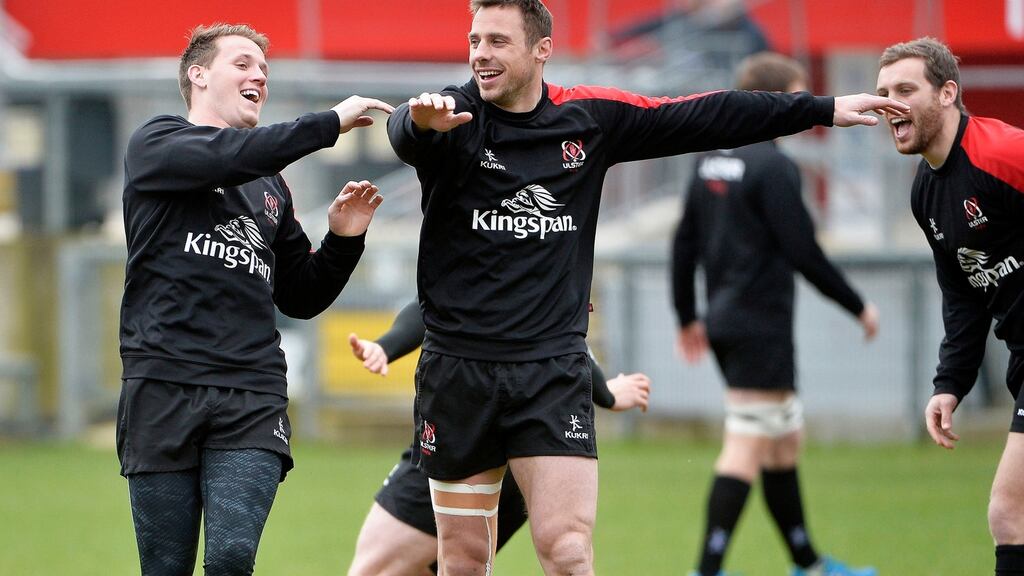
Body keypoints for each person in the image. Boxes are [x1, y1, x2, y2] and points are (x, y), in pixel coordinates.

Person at [387, 1, 907, 573]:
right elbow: (405, 132)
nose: (480, 53)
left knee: (567, 549)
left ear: (541, 50)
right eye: (474, 39)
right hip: (458, 371)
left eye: (497, 41)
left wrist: (823, 108)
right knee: (462, 559)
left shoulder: (589, 117)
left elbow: (706, 114)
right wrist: (416, 123)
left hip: (551, 371)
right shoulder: (451, 115)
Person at [117, 23, 393, 575]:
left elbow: (301, 296)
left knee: (231, 556)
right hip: (162, 385)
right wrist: (328, 124)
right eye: (242, 63)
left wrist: (344, 238)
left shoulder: (270, 186)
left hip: (251, 392)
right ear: (198, 75)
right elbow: (224, 158)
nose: (259, 75)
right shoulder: (157, 144)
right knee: (165, 566)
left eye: (263, 69)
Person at [672, 51, 879, 576]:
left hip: (726, 320)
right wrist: (859, 306)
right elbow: (804, 252)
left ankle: (807, 564)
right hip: (758, 325)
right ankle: (706, 568)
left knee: (784, 442)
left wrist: (686, 314)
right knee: (744, 447)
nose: (810, 107)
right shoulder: (774, 167)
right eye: (800, 96)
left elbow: (684, 241)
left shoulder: (707, 160)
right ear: (778, 101)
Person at [345, 300, 652, 576]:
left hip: (533, 427)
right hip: (459, 419)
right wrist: (386, 346)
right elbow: (432, 302)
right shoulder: (471, 251)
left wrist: (604, 392)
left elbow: (562, 328)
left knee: (566, 554)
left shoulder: (557, 249)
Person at [876, 37, 1024, 576]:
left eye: (906, 90)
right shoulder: (926, 193)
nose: (891, 102)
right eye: (883, 92)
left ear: (947, 94)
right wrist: (950, 382)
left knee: (1011, 514)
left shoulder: (1002, 153)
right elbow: (962, 293)